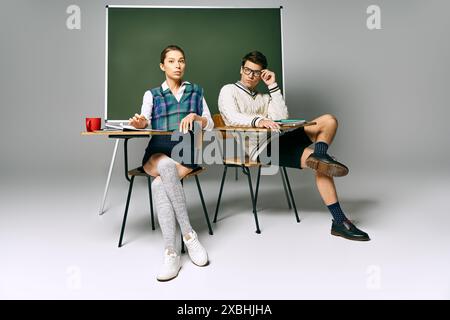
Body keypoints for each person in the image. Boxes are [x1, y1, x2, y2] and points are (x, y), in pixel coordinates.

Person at [218, 51, 370, 241]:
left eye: (256, 72)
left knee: (328, 120)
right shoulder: (228, 90)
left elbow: (281, 116)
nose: (251, 75)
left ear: (261, 74)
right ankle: (340, 221)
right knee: (320, 166)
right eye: (248, 70)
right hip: (261, 150)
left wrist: (272, 85)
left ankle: (320, 155)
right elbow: (232, 118)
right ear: (241, 69)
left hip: (278, 140)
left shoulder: (263, 97)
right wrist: (259, 120)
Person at [129, 45, 214, 281]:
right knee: (164, 166)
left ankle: (171, 252)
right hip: (156, 154)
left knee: (158, 185)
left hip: (185, 153)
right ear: (162, 65)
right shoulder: (152, 94)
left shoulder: (196, 92)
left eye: (181, 61)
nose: (177, 65)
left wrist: (198, 118)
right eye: (172, 61)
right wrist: (139, 123)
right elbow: (144, 120)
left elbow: (211, 124)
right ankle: (189, 235)